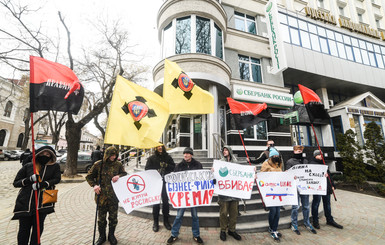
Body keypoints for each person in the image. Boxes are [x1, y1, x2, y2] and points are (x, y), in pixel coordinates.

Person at [12, 146, 61, 245]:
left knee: (38, 228)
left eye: (48, 154)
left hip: (44, 202)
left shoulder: (55, 166)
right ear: (38, 154)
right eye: (43, 154)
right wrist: (28, 180)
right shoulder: (29, 166)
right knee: (23, 229)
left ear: (51, 156)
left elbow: (57, 179)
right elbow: (16, 182)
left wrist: (43, 184)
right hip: (26, 202)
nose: (45, 156)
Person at [86, 146, 127, 245]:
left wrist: (119, 176)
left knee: (113, 218)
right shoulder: (98, 165)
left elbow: (125, 174)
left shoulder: (118, 165)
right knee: (101, 219)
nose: (113, 157)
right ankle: (102, 236)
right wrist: (95, 185)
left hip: (114, 196)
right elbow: (89, 177)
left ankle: (111, 235)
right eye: (111, 155)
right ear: (107, 155)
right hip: (102, 197)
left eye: (115, 155)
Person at [167, 147, 204, 245]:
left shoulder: (198, 165)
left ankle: (196, 235)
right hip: (183, 196)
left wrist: (210, 181)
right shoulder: (179, 166)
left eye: (187, 153)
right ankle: (174, 234)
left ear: (191, 155)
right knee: (179, 215)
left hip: (194, 196)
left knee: (195, 216)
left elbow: (203, 178)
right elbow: (174, 179)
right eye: (184, 153)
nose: (185, 155)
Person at [285, 145, 317, 235]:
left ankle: (307, 222)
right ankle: (294, 224)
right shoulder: (290, 161)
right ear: (294, 151)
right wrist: (290, 175)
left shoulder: (305, 161)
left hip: (304, 187)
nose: (300, 152)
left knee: (306, 206)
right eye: (298, 151)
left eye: (301, 151)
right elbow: (287, 174)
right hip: (295, 187)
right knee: (295, 207)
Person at [145, 144, 175, 232]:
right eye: (158, 146)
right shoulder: (151, 158)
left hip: (165, 183)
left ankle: (166, 221)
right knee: (156, 202)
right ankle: (155, 222)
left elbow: (173, 167)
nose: (160, 147)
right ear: (156, 148)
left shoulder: (168, 157)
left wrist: (166, 166)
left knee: (165, 201)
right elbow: (147, 169)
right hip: (156, 183)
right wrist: (155, 171)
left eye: (161, 146)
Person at [310, 150, 343, 229]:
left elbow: (329, 175)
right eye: (319, 155)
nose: (321, 156)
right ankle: (315, 220)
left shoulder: (324, 163)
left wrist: (332, 185)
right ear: (315, 156)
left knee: (327, 204)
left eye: (322, 154)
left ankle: (329, 219)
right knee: (316, 203)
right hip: (317, 188)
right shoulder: (312, 164)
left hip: (326, 187)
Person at [216, 145, 242, 241]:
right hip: (224, 193)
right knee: (223, 213)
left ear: (230, 151)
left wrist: (252, 172)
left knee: (234, 213)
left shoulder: (236, 163)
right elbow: (216, 176)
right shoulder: (220, 163)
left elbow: (242, 175)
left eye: (226, 150)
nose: (224, 151)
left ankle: (232, 230)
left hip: (234, 193)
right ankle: (223, 230)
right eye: (223, 150)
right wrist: (213, 172)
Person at [259, 147, 283, 242]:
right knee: (273, 211)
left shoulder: (279, 165)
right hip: (270, 191)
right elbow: (262, 175)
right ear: (271, 156)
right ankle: (272, 228)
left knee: (277, 211)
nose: (276, 157)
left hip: (278, 191)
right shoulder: (266, 164)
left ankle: (274, 229)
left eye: (277, 155)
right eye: (274, 155)